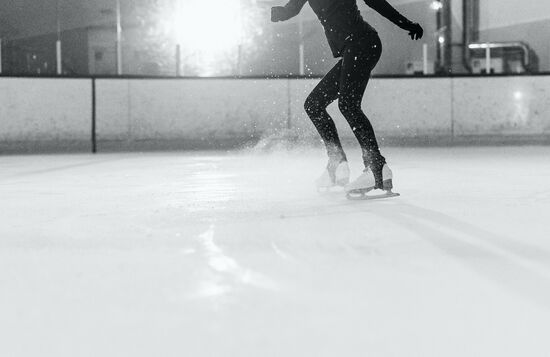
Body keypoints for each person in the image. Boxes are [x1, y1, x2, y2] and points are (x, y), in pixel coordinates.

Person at [271, 0, 423, 196]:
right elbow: (289, 10)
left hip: (363, 43)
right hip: (353, 48)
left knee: (348, 105)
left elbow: (375, 2)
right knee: (314, 104)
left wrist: (407, 24)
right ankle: (336, 162)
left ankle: (376, 167)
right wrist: (271, 13)